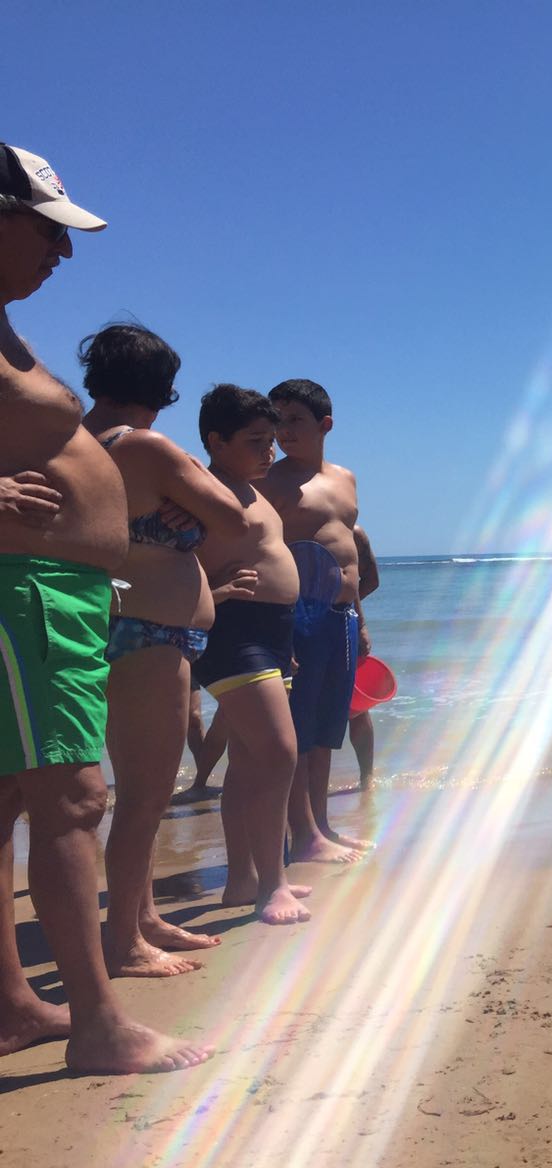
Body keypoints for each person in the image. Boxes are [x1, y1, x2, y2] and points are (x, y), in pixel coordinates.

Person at [0, 142, 212, 1072]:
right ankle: (97, 1024)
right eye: (49, 230)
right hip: (26, 593)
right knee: (76, 799)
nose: (64, 253)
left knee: (12, 799)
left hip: (59, 593)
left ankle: (14, 1004)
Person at [79, 324, 250, 976]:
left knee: (129, 789)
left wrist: (188, 509)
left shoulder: (74, 442)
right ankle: (124, 941)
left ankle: (142, 915)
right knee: (146, 792)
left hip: (108, 620)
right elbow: (235, 519)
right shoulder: (144, 446)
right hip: (150, 630)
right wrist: (197, 510)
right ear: (161, 388)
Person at [193, 385, 310, 925]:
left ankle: (241, 879)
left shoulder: (249, 487)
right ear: (216, 441)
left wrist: (284, 646)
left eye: (271, 441)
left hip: (270, 633)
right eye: (256, 441)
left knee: (246, 762)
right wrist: (211, 597)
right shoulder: (199, 488)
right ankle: (273, 885)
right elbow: (157, 558)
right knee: (279, 753)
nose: (270, 452)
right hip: (234, 633)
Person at [263, 379, 370, 862]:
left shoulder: (345, 477)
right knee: (299, 731)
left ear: (324, 424)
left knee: (328, 728)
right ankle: (301, 834)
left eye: (295, 420)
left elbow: (350, 554)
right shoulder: (271, 481)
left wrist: (362, 621)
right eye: (277, 420)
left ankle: (320, 826)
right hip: (298, 614)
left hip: (342, 615)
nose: (283, 431)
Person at [347, 523, 380, 790]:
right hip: (298, 621)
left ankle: (366, 778)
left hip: (343, 622)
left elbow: (371, 580)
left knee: (356, 707)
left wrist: (347, 606)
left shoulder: (353, 532)